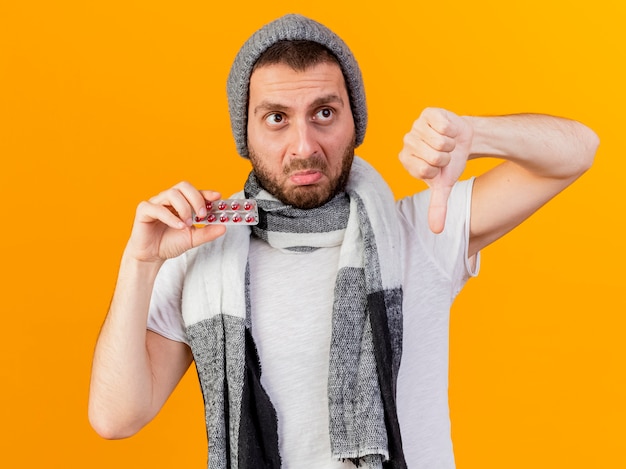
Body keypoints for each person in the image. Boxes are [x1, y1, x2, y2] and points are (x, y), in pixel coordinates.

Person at [88, 13, 599, 469]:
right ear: (245, 134)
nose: (304, 145)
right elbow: (115, 417)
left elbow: (578, 151)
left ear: (356, 122)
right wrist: (140, 262)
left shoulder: (420, 231)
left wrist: (478, 134)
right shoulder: (203, 254)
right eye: (277, 118)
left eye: (325, 113)